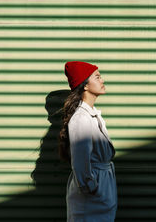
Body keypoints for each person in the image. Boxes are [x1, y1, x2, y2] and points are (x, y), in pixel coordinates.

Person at [58, 61, 117, 222]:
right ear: (85, 85)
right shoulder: (81, 118)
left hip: (102, 188)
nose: (102, 81)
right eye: (97, 77)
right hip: (92, 193)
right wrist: (90, 187)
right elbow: (80, 159)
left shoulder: (93, 115)